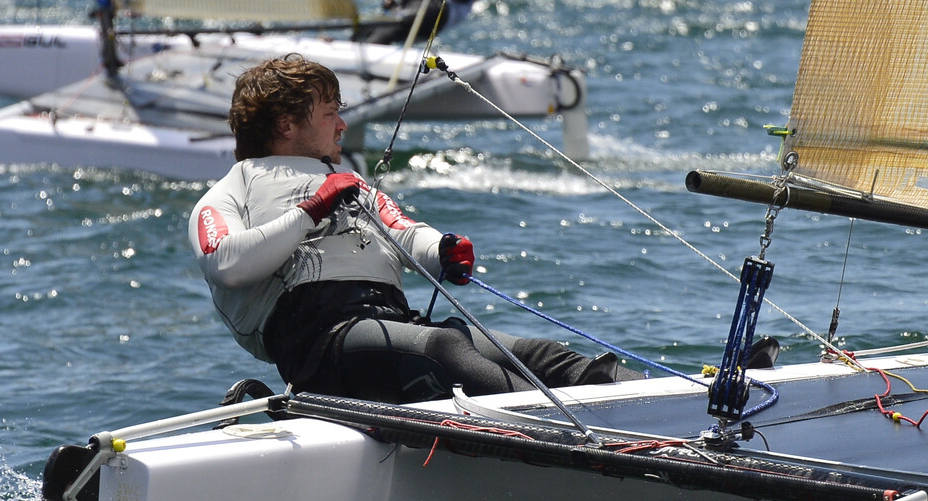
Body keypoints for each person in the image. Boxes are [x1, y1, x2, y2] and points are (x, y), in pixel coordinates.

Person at [189, 54, 627, 404]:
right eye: (329, 114)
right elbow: (227, 263)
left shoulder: (350, 184)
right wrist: (311, 209)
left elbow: (403, 230)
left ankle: (665, 401)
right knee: (442, 351)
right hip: (321, 345)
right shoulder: (229, 192)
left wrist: (443, 250)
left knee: (536, 353)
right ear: (286, 124)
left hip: (392, 325)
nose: (342, 124)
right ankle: (571, 425)